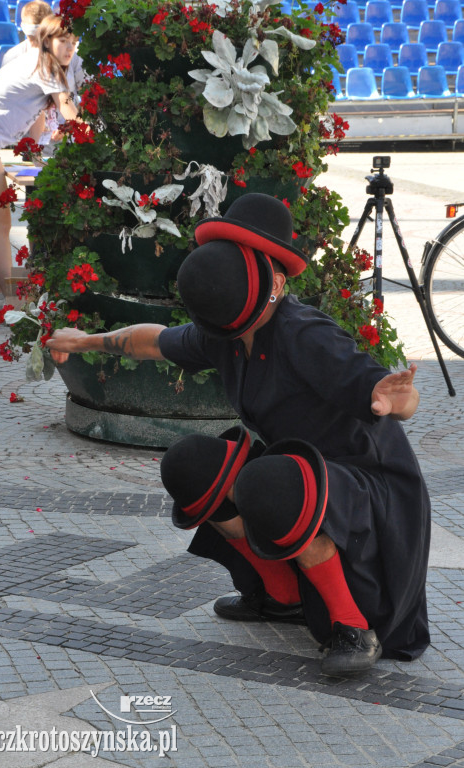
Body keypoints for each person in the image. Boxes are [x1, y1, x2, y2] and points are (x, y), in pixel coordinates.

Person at [47, 193, 431, 675]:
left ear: (275, 279)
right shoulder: (224, 333)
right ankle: (281, 595)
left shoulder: (305, 334)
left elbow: (380, 387)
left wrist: (399, 400)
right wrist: (83, 341)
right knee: (191, 465)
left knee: (267, 481)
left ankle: (352, 624)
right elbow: (155, 341)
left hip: (369, 496)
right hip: (302, 476)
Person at [0, 15, 80, 311]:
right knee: (0, 223)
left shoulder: (38, 61)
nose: (69, 48)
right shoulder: (46, 64)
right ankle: (16, 304)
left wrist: (34, 152)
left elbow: (37, 114)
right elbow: (65, 106)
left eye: (73, 43)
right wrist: (91, 137)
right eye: (64, 41)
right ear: (48, 40)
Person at [1, 1, 86, 150]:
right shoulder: (13, 57)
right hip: (27, 139)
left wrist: (70, 126)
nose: (38, 45)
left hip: (66, 138)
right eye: (32, 37)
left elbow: (87, 93)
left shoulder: (71, 55)